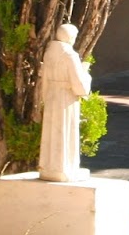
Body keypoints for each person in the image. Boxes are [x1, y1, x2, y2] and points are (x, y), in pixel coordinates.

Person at [37, 22, 91, 181]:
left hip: (52, 95)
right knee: (66, 130)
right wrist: (86, 74)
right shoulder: (70, 55)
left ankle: (49, 166)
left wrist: (45, 97)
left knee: (52, 130)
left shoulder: (49, 53)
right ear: (70, 38)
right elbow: (79, 83)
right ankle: (65, 167)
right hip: (66, 97)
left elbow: (44, 79)